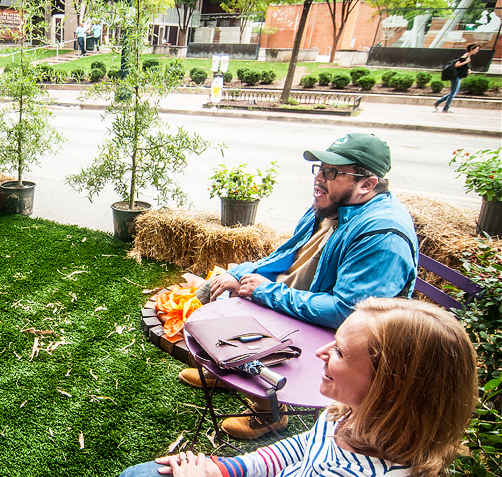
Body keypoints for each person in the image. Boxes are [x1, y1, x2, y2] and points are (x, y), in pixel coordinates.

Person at [62, 297, 478, 477]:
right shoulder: (358, 413)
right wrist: (225, 470)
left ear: (391, 387)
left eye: (340, 352)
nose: (321, 352)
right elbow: (304, 447)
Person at [179, 133, 418, 439]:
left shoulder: (382, 236)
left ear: (367, 184)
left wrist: (265, 292)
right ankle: (230, 368)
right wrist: (239, 274)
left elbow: (350, 314)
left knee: (246, 301)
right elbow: (285, 256)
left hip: (343, 338)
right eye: (320, 168)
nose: (319, 179)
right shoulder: (330, 205)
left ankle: (269, 413)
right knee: (229, 295)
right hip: (303, 300)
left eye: (332, 173)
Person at [434, 43, 479, 114]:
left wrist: (468, 69)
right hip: (456, 76)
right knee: (453, 93)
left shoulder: (468, 56)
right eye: (476, 49)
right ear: (471, 49)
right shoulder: (465, 56)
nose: (477, 51)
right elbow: (456, 65)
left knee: (455, 92)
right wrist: (465, 62)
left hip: (458, 76)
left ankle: (438, 102)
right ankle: (445, 108)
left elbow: (465, 66)